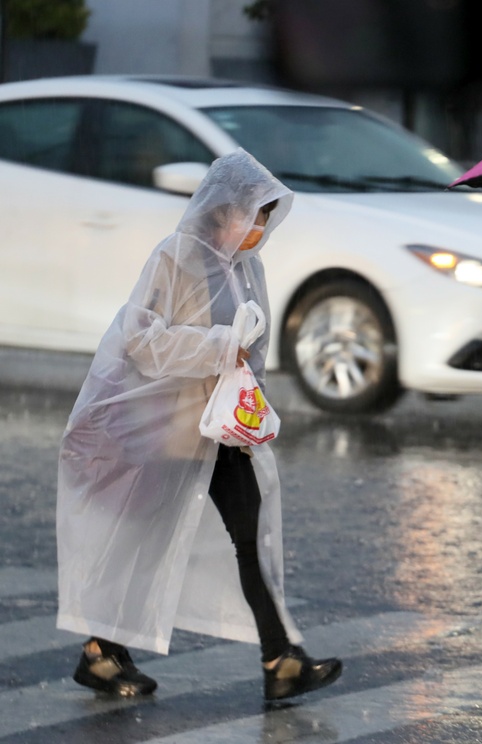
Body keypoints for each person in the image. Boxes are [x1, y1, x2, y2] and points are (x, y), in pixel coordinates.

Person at [56, 148, 342, 701]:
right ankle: (101, 652)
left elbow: (249, 345)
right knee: (138, 538)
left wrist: (244, 388)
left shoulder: (247, 266)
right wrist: (216, 347)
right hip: (163, 427)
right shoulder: (176, 257)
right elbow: (139, 337)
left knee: (250, 534)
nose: (260, 228)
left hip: (218, 428)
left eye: (266, 217)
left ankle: (280, 657)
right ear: (222, 211)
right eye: (253, 214)